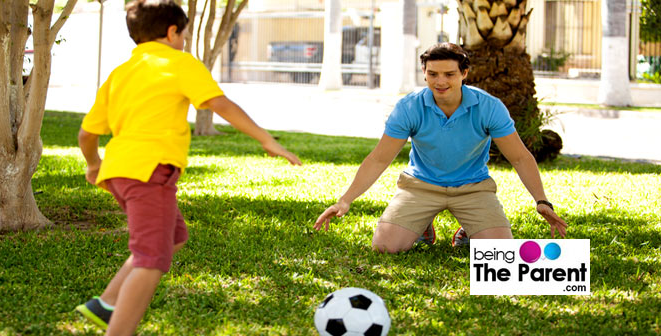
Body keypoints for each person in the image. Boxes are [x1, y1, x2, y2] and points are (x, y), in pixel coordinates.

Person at [75, 0, 301, 334]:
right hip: (150, 172)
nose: (184, 40)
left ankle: (106, 304)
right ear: (171, 31)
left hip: (121, 172)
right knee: (152, 261)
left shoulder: (120, 72)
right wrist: (267, 139)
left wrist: (94, 165)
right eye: (184, 33)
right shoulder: (180, 62)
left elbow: (86, 133)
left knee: (174, 237)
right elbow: (218, 103)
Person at [314, 42, 567, 253]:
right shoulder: (409, 107)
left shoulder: (488, 107)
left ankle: (470, 229)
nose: (440, 81)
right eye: (433, 74)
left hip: (473, 188)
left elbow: (520, 158)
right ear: (424, 72)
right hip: (421, 185)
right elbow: (379, 159)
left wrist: (542, 201)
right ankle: (422, 224)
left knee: (498, 253)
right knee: (384, 247)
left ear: (464, 73)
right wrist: (345, 201)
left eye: (449, 74)